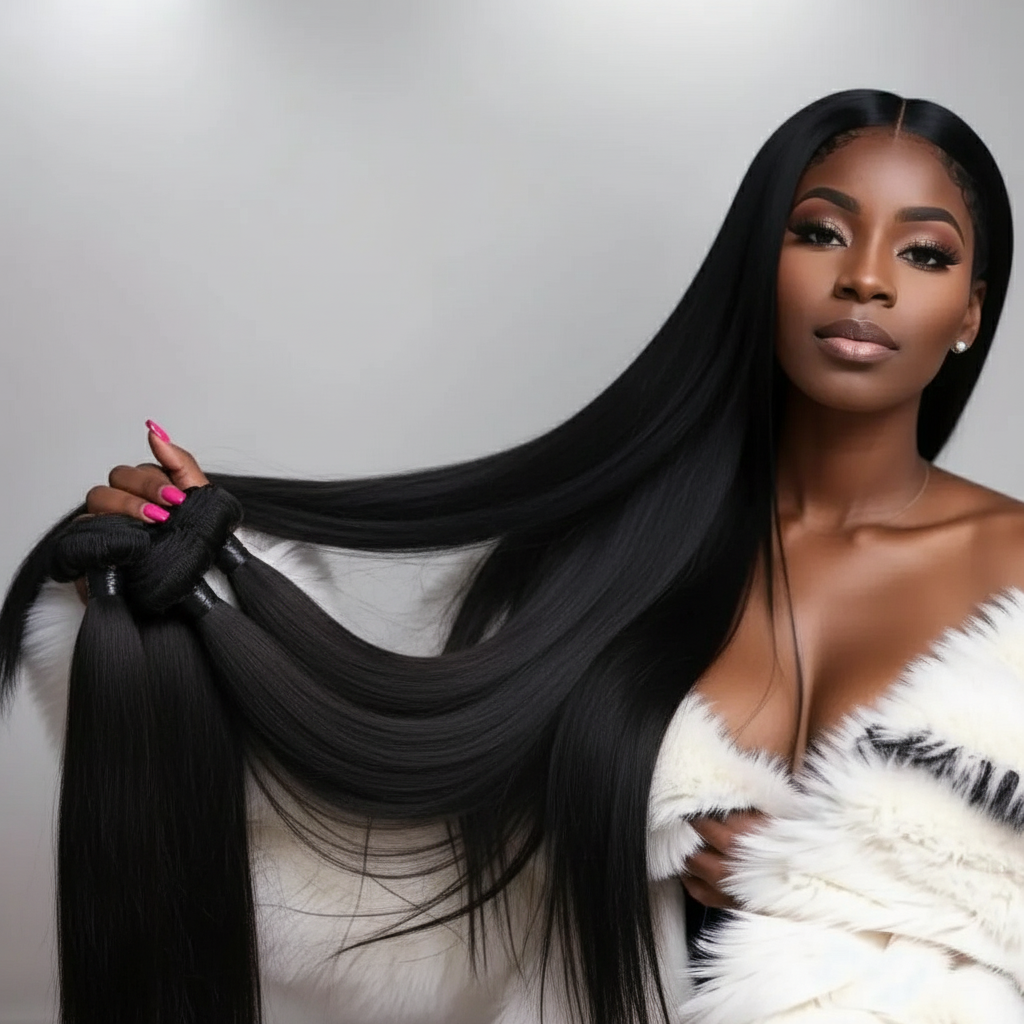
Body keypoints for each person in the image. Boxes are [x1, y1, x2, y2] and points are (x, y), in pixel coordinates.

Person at [0, 87, 1019, 1023]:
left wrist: (826, 888)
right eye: (818, 232)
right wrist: (198, 592)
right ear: (761, 266)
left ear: (971, 309)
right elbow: (414, 909)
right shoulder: (604, 562)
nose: (865, 278)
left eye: (924, 253)